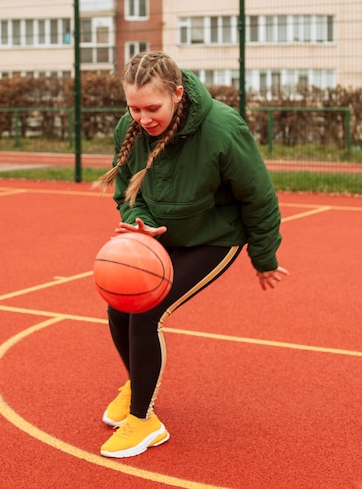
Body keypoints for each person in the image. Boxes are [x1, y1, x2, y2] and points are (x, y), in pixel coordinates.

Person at [95, 51, 288, 459]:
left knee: (147, 312)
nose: (143, 118)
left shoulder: (221, 128)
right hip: (163, 233)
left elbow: (259, 196)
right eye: (134, 107)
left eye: (153, 107)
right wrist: (140, 220)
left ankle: (145, 421)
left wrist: (265, 256)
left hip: (215, 235)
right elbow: (126, 191)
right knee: (119, 305)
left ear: (178, 94)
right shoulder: (127, 129)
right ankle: (137, 384)